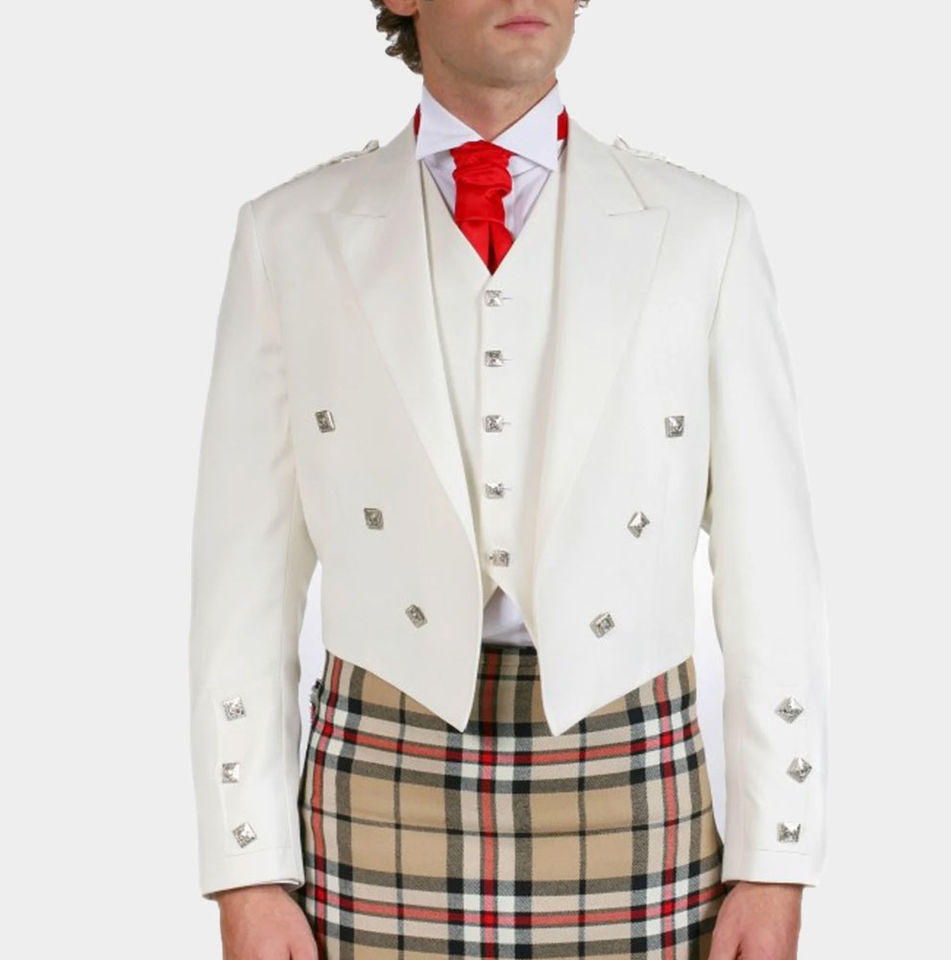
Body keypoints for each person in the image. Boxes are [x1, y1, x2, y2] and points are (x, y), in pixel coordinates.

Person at [188, 2, 831, 958]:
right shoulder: (289, 236)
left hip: (631, 768)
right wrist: (247, 869)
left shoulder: (703, 231)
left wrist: (775, 859)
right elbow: (240, 581)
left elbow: (770, 566)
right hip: (377, 770)